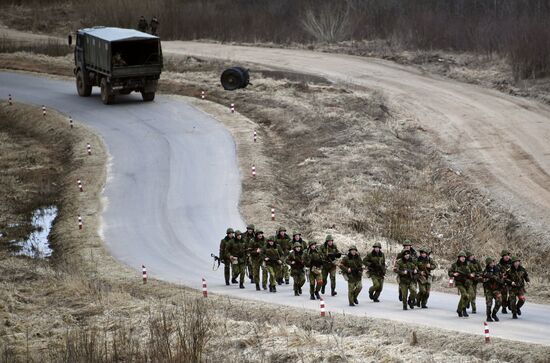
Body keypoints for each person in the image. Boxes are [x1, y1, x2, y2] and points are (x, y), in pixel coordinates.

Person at [448, 251, 474, 317]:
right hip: (459, 283)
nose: (463, 258)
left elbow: (474, 271)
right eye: (462, 257)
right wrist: (454, 274)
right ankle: (464, 309)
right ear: (459, 258)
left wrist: (472, 274)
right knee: (465, 295)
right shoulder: (455, 265)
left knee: (470, 295)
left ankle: (459, 310)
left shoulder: (468, 264)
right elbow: (450, 272)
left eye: (464, 257)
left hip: (467, 282)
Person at [482, 257, 502, 322]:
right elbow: (483, 278)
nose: (492, 264)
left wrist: (500, 279)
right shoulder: (485, 271)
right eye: (490, 263)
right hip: (488, 289)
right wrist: (490, 277)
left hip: (496, 288)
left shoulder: (497, 269)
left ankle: (494, 314)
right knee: (489, 303)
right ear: (488, 264)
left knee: (499, 301)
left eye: (493, 262)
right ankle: (488, 316)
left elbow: (501, 278)